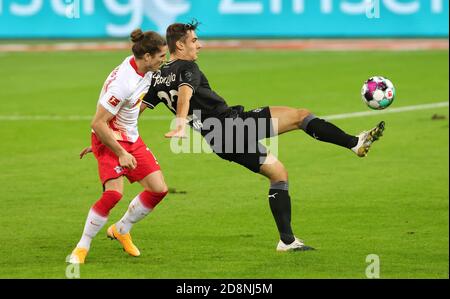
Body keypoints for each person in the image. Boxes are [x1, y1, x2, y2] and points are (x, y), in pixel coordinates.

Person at [141, 21, 385, 252]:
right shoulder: (188, 67)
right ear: (180, 45)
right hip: (231, 127)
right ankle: (355, 143)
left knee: (279, 175)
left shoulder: (158, 77)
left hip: (218, 139)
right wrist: (181, 122)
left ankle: (287, 241)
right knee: (301, 116)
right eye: (194, 40)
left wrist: (112, 124)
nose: (199, 45)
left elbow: (137, 108)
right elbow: (185, 93)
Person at [68, 29, 169, 264]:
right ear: (147, 56)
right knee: (114, 193)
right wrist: (116, 150)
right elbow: (98, 122)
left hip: (128, 137)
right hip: (112, 140)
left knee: (158, 189)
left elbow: (132, 108)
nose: (163, 60)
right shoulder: (123, 83)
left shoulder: (144, 69)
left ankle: (121, 229)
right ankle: (82, 247)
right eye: (161, 56)